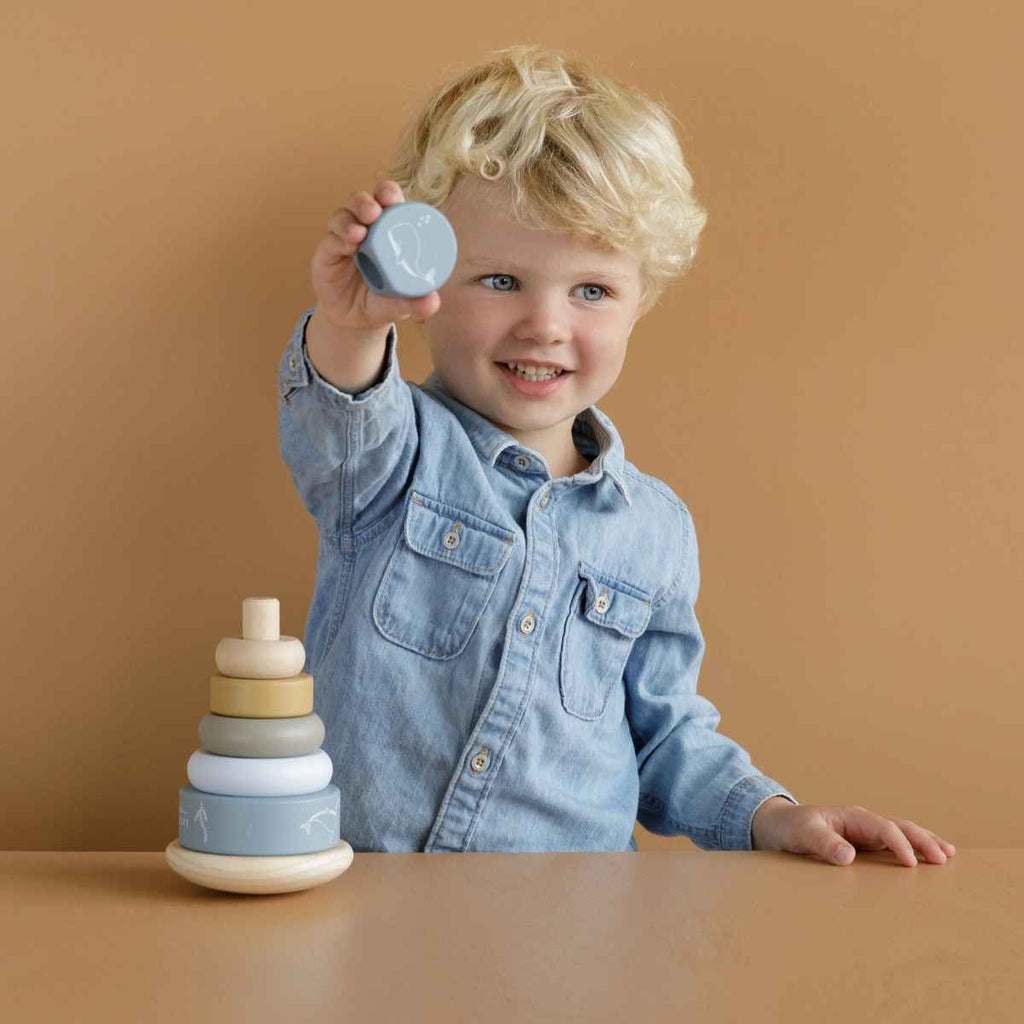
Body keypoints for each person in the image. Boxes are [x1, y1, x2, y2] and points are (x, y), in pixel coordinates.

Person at [277, 44, 956, 866]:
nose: (546, 325)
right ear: (425, 285)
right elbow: (337, 409)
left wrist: (774, 815)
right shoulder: (390, 457)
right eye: (499, 281)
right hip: (368, 905)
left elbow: (666, 738)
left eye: (590, 290)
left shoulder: (654, 529)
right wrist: (353, 322)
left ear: (643, 300)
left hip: (571, 930)